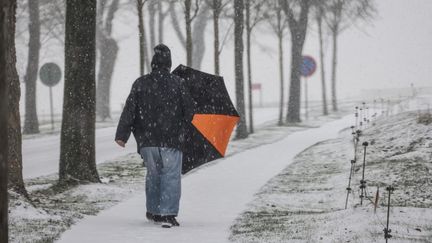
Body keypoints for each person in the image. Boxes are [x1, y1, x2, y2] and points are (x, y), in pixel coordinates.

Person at [115, 44, 194, 228]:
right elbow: (190, 111)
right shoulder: (178, 83)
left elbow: (130, 110)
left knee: (153, 174)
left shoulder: (140, 83)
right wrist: (181, 124)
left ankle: (153, 211)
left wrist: (122, 135)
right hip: (172, 140)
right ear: (169, 62)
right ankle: (166, 213)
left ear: (153, 62)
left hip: (147, 141)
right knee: (171, 176)